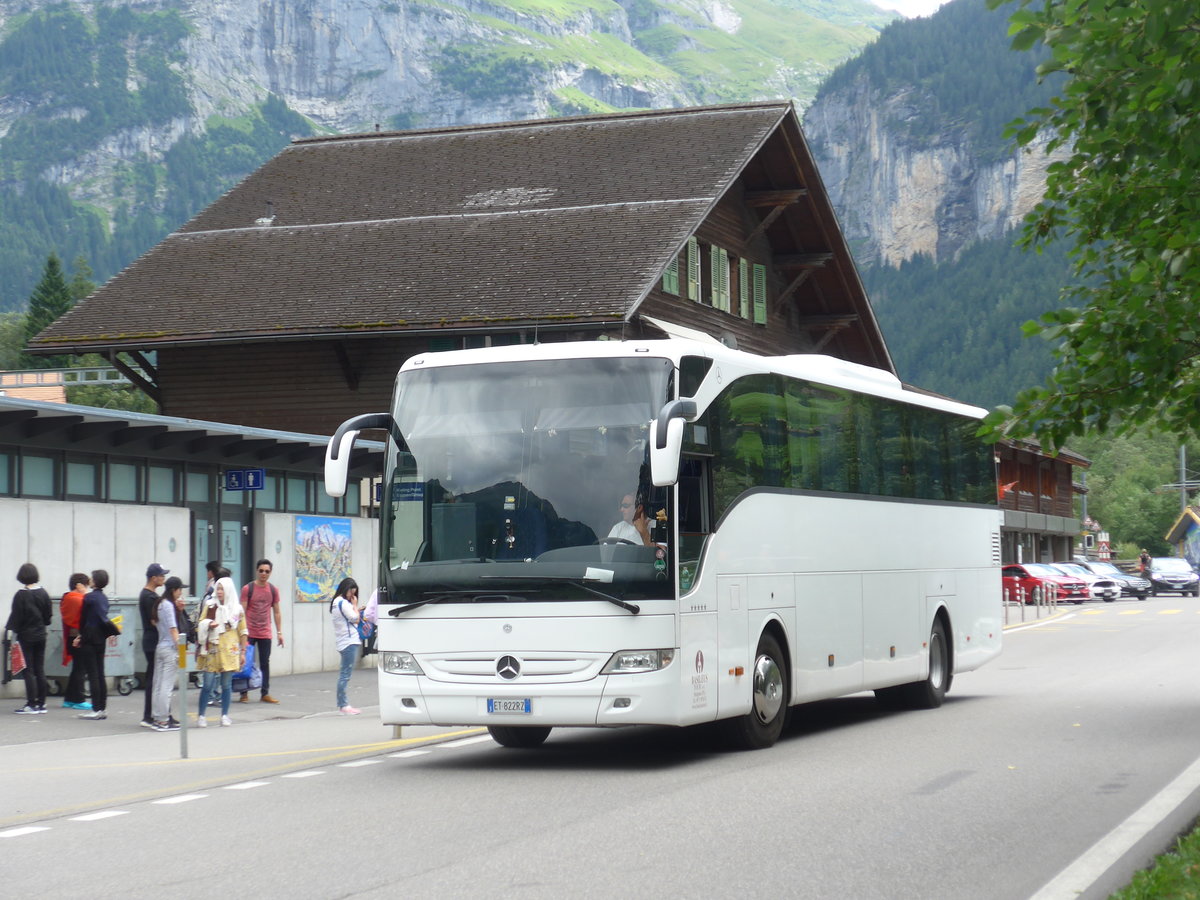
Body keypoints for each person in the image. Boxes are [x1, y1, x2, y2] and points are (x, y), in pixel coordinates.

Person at [195, 576, 247, 727]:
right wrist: (209, 624)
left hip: (230, 651)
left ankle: (225, 714)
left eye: (222, 589)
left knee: (226, 685)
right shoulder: (211, 605)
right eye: (217, 588)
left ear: (229, 590)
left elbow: (243, 631)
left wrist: (243, 652)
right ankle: (201, 715)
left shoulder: (237, 609)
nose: (219, 592)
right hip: (212, 649)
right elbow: (200, 624)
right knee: (207, 684)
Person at [6, 563, 52, 715]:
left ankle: (31, 704)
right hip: (41, 634)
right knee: (40, 669)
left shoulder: (20, 595)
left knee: (28, 670)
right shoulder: (44, 593)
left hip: (26, 636)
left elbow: (16, 617)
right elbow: (48, 617)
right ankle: (42, 703)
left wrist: (14, 630)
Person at [239, 558, 283, 704]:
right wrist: (241, 631)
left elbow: (277, 612)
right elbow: (242, 611)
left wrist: (279, 632)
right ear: (257, 571)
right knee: (246, 661)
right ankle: (243, 693)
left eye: (267, 571)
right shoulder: (248, 589)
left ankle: (265, 693)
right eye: (261, 571)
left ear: (270, 573)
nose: (264, 574)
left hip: (265, 632)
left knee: (265, 662)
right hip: (249, 631)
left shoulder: (273, 590)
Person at [75, 569, 111, 720]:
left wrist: (79, 636)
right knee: (100, 672)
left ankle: (95, 708)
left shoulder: (89, 598)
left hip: (89, 637)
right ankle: (102, 708)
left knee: (92, 673)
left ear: (94, 582)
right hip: (101, 637)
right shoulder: (104, 598)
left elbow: (83, 620)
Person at [139, 563, 169, 728]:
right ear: (153, 577)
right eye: (161, 575)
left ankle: (150, 714)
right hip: (153, 640)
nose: (163, 578)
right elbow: (156, 620)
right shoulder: (149, 597)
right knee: (155, 679)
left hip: (150, 640)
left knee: (154, 678)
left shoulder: (148, 595)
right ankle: (150, 714)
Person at [150, 580, 181, 732]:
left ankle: (157, 717)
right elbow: (173, 629)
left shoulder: (159, 603)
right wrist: (180, 650)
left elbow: (154, 622)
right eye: (180, 589)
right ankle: (163, 720)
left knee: (158, 684)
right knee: (166, 686)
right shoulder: (169, 605)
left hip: (160, 646)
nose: (181, 593)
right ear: (174, 590)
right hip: (170, 648)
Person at [329, 578, 362, 715]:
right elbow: (356, 619)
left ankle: (343, 704)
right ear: (345, 589)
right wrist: (355, 606)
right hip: (348, 641)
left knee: (344, 674)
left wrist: (355, 609)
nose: (351, 596)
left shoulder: (336, 602)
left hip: (343, 641)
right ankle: (343, 705)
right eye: (350, 593)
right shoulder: (343, 602)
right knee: (345, 675)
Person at [60, 574, 92, 711]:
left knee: (77, 669)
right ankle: (79, 699)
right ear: (79, 585)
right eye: (86, 586)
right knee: (80, 669)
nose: (87, 589)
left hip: (72, 638)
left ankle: (69, 698)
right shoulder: (77, 599)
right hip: (79, 637)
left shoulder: (67, 598)